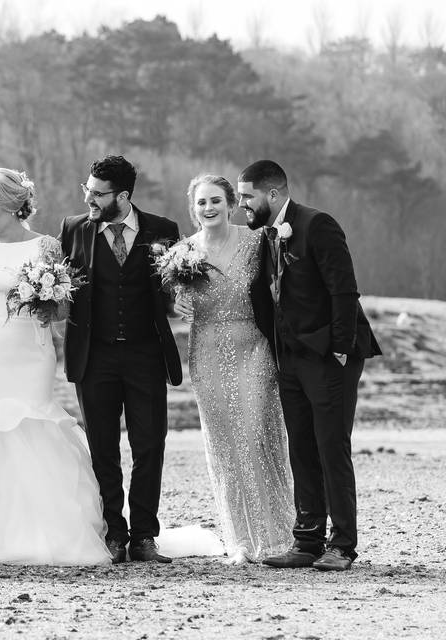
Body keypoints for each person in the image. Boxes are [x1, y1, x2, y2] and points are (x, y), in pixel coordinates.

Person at [0, 169, 111, 565]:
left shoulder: (47, 245)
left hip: (31, 349)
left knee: (32, 419)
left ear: (15, 205)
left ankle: (41, 528)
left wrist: (48, 297)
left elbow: (65, 308)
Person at [238, 160, 381, 572]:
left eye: (247, 196)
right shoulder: (266, 235)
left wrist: (338, 347)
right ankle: (306, 541)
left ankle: (342, 546)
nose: (242, 205)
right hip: (290, 359)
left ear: (274, 194)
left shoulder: (318, 225)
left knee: (330, 447)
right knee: (301, 447)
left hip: (329, 358)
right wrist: (277, 346)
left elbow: (344, 289)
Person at [60, 155, 181, 564]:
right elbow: (64, 288)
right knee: (103, 448)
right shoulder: (73, 229)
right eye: (87, 191)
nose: (89, 198)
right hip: (94, 359)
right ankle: (115, 532)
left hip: (146, 355)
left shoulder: (163, 231)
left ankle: (145, 535)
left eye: (98, 193)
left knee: (149, 445)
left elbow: (173, 292)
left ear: (124, 195)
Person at [172, 174, 294, 564]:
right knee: (224, 444)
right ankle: (239, 537)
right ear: (194, 209)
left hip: (253, 346)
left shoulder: (257, 240)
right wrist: (180, 304)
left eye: (215, 201)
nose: (208, 208)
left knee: (256, 434)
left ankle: (278, 534)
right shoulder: (182, 252)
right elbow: (178, 298)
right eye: (201, 203)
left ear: (229, 203)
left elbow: (281, 285)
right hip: (206, 349)